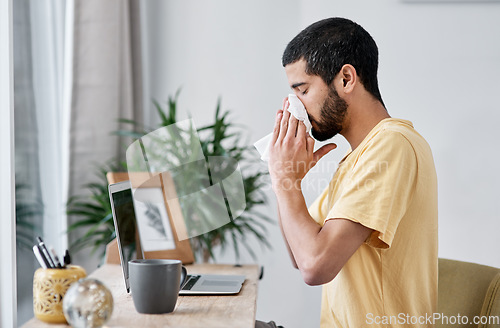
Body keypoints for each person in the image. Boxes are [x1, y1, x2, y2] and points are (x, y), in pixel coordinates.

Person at [258, 17, 438, 328]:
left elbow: (315, 267)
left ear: (346, 78)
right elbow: (300, 256)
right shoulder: (357, 159)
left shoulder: (393, 145)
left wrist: (284, 180)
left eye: (302, 91)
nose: (294, 107)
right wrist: (287, 179)